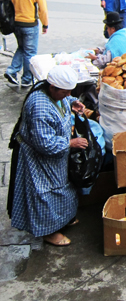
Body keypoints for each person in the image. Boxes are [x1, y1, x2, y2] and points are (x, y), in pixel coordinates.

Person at [10, 66, 88, 246]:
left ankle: (64, 218)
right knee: (44, 193)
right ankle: (48, 231)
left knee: (63, 187)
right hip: (39, 158)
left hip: (56, 158)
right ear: (52, 87)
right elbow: (44, 143)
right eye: (65, 92)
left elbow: (61, 102)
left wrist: (71, 103)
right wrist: (70, 143)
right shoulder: (39, 107)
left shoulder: (55, 94)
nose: (67, 95)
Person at [3, 0, 48, 88]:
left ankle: (11, 71)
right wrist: (45, 24)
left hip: (16, 24)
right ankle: (27, 79)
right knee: (30, 53)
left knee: (22, 48)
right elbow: (43, 9)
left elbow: (3, 0)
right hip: (29, 25)